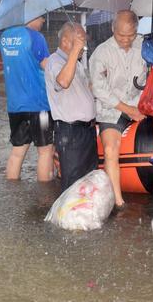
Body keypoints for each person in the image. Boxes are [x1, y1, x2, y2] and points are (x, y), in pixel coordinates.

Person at [90, 10, 153, 209]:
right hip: (112, 109)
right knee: (111, 149)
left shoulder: (143, 46)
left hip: (141, 103)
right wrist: (127, 110)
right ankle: (118, 201)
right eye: (121, 36)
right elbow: (98, 88)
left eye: (130, 35)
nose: (126, 40)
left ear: (137, 31)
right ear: (113, 29)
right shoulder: (101, 53)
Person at [0, 15, 54, 182]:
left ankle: (14, 193)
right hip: (39, 104)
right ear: (32, 14)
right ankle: (45, 197)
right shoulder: (36, 37)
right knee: (45, 151)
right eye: (42, 17)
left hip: (15, 105)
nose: (43, 21)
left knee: (17, 152)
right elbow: (48, 67)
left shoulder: (4, 37)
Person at [44, 22, 97, 191]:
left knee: (89, 180)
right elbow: (64, 81)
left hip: (87, 130)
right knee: (73, 184)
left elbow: (85, 90)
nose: (84, 47)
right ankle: (67, 217)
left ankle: (85, 216)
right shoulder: (55, 61)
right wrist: (75, 51)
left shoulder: (77, 62)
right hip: (70, 132)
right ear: (66, 42)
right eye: (80, 41)